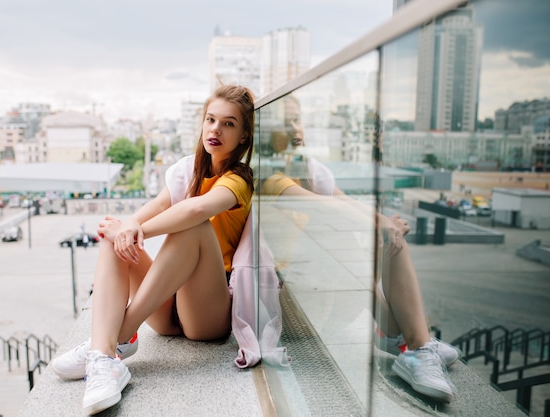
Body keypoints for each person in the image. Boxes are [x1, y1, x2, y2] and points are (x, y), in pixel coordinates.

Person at [50, 84, 256, 415]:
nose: (216, 129)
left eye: (229, 123)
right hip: (165, 310)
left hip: (209, 313)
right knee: (110, 234)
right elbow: (156, 205)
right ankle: (105, 361)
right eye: (211, 120)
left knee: (193, 227)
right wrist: (126, 227)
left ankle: (109, 341)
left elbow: (196, 211)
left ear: (244, 135)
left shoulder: (239, 179)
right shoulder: (189, 171)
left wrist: (136, 229)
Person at [261, 94, 459, 403]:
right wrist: (380, 222)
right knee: (347, 232)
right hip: (287, 308)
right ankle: (412, 343)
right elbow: (325, 209)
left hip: (318, 296)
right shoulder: (265, 175)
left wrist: (384, 223)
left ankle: (416, 345)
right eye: (286, 123)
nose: (296, 129)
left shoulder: (304, 166)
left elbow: (344, 203)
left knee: (384, 232)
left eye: (298, 119)